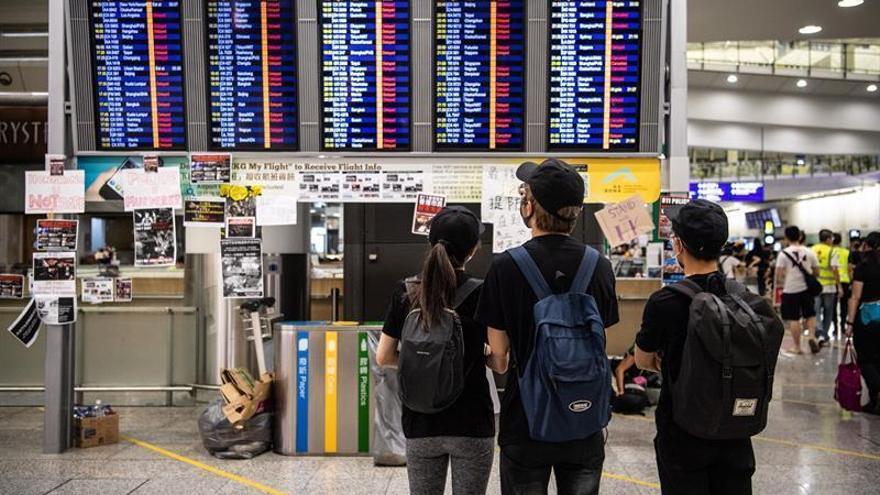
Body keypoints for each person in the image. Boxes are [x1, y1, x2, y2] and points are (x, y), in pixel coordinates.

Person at [476, 158, 619, 495]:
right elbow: (599, 342)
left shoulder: (506, 267)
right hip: (584, 418)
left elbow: (499, 358)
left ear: (530, 206)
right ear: (576, 210)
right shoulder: (599, 266)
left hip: (526, 420)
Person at [634, 200, 757, 494]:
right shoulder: (743, 297)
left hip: (683, 430)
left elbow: (641, 359)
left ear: (678, 244)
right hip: (735, 430)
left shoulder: (665, 301)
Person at [376, 206, 495, 495]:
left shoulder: (406, 292)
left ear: (431, 244)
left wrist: (425, 364)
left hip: (421, 421)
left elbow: (384, 357)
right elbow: (500, 364)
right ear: (473, 250)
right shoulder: (483, 293)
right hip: (472, 421)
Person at [845, 232, 880, 415]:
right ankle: (874, 401)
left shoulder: (863, 267)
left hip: (867, 319)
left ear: (866, 245)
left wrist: (850, 323)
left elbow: (855, 296)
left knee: (866, 359)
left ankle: (877, 393)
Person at [775, 226, 821, 354]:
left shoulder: (783, 254)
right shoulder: (809, 251)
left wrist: (783, 281)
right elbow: (817, 271)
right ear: (800, 236)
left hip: (790, 289)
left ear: (786, 237)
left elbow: (778, 275)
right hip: (807, 290)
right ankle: (812, 336)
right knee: (810, 314)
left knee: (793, 318)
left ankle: (797, 347)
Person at [811, 229, 841, 343]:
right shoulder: (832, 251)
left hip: (816, 286)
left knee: (816, 310)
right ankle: (824, 333)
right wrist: (839, 286)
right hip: (829, 287)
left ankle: (819, 331)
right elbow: (834, 269)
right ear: (828, 239)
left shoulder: (812, 249)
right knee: (828, 312)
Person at [835, 233, 853, 337]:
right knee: (843, 305)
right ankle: (842, 326)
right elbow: (849, 268)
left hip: (834, 281)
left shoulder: (831, 251)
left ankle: (835, 328)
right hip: (845, 280)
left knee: (832, 307)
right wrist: (851, 280)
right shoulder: (846, 252)